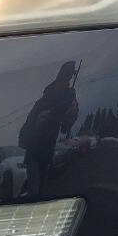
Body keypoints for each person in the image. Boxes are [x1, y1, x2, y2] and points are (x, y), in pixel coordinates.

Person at [17, 60, 79, 198]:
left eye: (70, 75)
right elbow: (25, 132)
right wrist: (37, 124)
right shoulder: (41, 104)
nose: (68, 79)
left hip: (47, 153)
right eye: (66, 75)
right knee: (35, 193)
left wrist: (72, 114)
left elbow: (65, 128)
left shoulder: (69, 98)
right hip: (35, 153)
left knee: (41, 193)